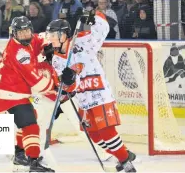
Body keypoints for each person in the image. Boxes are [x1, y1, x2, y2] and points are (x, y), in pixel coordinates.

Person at [45, 10, 137, 172]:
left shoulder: (82, 41)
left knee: (107, 131)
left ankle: (126, 164)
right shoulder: (57, 60)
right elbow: (68, 89)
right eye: (50, 35)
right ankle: (124, 154)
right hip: (84, 100)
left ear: (65, 35)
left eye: (54, 35)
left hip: (100, 93)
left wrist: (94, 16)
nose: (51, 39)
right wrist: (67, 83)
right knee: (94, 135)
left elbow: (103, 29)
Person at [0, 16, 55, 172]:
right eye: (20, 33)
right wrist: (54, 82)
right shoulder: (19, 54)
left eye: (27, 31)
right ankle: (34, 162)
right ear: (14, 34)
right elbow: (38, 84)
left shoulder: (25, 39)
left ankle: (20, 154)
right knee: (31, 126)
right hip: (10, 93)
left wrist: (46, 45)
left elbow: (41, 37)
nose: (25, 35)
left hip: (8, 90)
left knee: (28, 118)